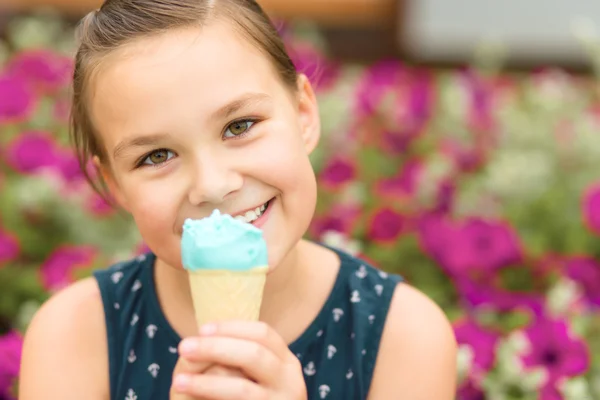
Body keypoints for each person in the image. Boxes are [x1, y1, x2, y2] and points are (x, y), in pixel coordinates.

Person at [18, 0, 457, 399]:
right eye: (157, 156)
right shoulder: (74, 337)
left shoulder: (401, 337)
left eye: (240, 126)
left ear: (303, 114)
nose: (212, 185)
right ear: (115, 185)